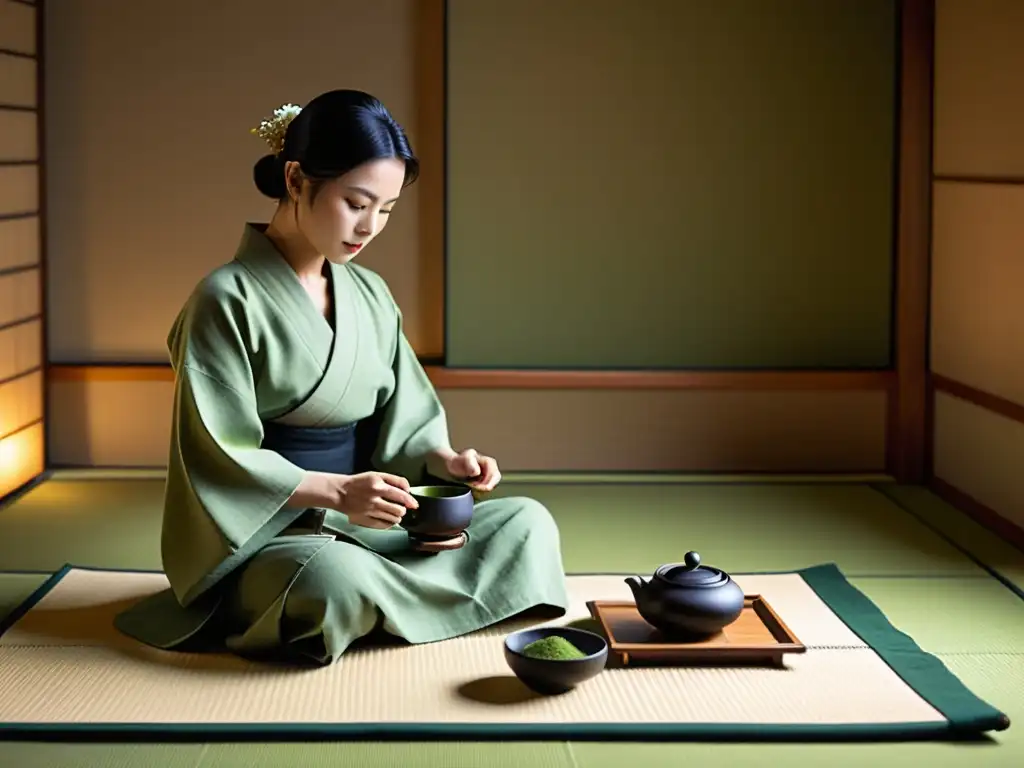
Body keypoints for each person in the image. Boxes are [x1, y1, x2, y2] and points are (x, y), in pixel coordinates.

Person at [114, 89, 570, 665]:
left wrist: (444, 460)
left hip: (372, 515)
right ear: (297, 180)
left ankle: (384, 606)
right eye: (357, 203)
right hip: (275, 534)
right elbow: (217, 452)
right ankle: (393, 601)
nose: (370, 226)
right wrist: (336, 491)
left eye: (385, 210)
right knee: (328, 578)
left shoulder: (371, 294)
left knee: (528, 523)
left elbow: (407, 416)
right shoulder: (223, 299)